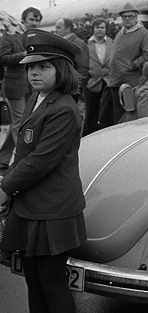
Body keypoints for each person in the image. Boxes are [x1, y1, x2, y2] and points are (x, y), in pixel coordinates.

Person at [0, 28, 86, 313]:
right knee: (33, 280)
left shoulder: (63, 108)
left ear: (60, 70)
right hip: (31, 206)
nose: (34, 73)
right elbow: (22, 151)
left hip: (52, 211)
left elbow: (41, 161)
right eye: (31, 67)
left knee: (52, 284)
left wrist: (4, 188)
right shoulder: (38, 99)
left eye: (43, 67)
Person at [0, 7, 41, 172]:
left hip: (29, 85)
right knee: (20, 123)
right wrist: (24, 55)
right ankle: (21, 161)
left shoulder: (35, 38)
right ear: (23, 20)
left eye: (38, 20)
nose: (35, 23)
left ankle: (4, 157)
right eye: (32, 19)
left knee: (20, 122)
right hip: (15, 86)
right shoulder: (10, 37)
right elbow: (2, 59)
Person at [107, 2, 148, 124]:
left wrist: (133, 65)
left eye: (131, 16)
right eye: (125, 17)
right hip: (115, 82)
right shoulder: (120, 33)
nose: (127, 19)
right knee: (116, 119)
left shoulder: (144, 34)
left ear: (136, 17)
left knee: (129, 118)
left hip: (131, 84)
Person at [83, 19, 114, 135]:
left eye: (102, 27)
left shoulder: (112, 43)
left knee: (107, 112)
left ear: (106, 29)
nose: (100, 30)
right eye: (97, 27)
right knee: (91, 112)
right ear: (93, 29)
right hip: (92, 82)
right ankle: (89, 135)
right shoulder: (87, 45)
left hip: (108, 81)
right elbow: (84, 62)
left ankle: (105, 135)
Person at [54, 18, 89, 83]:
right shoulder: (61, 42)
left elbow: (83, 69)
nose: (55, 30)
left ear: (68, 29)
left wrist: (75, 86)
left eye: (58, 28)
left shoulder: (78, 43)